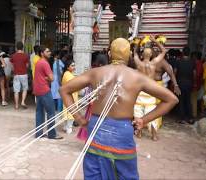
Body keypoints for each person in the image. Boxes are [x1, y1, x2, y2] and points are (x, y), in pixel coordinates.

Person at [60, 38, 178, 179]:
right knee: (125, 174)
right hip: (122, 132)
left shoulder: (95, 73)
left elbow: (64, 90)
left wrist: (80, 119)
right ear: (129, 56)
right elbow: (172, 99)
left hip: (96, 129)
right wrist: (143, 120)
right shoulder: (137, 77)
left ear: (110, 54)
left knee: (93, 172)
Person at [133, 35, 166, 141]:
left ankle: (139, 132)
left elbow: (134, 53)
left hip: (140, 91)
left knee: (138, 112)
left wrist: (139, 42)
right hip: (150, 92)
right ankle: (154, 135)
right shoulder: (153, 64)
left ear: (142, 55)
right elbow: (163, 51)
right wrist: (154, 41)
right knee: (151, 113)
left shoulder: (139, 63)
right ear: (151, 54)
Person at [33, 46, 63, 140]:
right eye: (47, 51)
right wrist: (46, 78)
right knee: (51, 112)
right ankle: (52, 134)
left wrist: (43, 78)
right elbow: (52, 78)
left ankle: (39, 134)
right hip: (44, 90)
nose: (49, 52)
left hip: (37, 90)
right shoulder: (45, 63)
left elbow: (40, 76)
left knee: (39, 112)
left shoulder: (38, 62)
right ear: (42, 53)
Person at [174, 47, 196, 124]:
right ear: (189, 53)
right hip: (189, 83)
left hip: (180, 83)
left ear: (183, 52)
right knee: (188, 100)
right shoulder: (192, 62)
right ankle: (190, 118)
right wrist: (193, 82)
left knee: (181, 100)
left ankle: (182, 118)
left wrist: (175, 83)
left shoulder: (178, 61)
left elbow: (175, 72)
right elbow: (194, 74)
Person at [10, 42, 29, 109]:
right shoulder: (26, 56)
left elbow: (11, 66)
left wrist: (14, 70)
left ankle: (16, 105)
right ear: (22, 47)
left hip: (16, 75)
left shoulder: (13, 56)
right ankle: (23, 102)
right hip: (24, 74)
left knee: (16, 91)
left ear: (16, 48)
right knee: (24, 89)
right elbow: (27, 66)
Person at [61, 59, 77, 134]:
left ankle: (65, 126)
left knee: (66, 111)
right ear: (67, 67)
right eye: (72, 65)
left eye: (74, 65)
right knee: (71, 112)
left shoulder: (66, 74)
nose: (74, 67)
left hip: (67, 96)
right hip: (71, 97)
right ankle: (69, 128)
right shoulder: (68, 75)